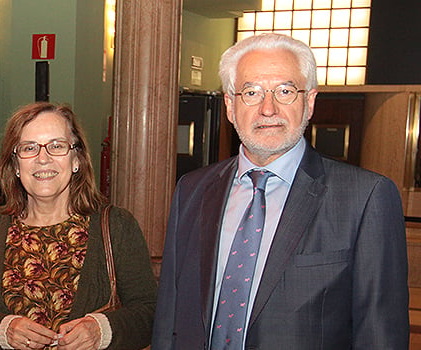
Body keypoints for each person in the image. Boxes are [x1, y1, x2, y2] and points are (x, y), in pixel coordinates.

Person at [152, 33, 409, 349]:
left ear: (309, 102)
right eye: (251, 92)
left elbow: (381, 335)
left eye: (285, 91)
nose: (268, 108)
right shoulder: (192, 189)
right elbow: (169, 319)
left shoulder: (365, 198)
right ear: (231, 106)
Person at [0, 102, 157, 350]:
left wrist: (101, 329)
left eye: (57, 146)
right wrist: (3, 330)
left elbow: (150, 311)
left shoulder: (117, 225)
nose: (43, 159)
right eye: (29, 148)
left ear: (76, 159)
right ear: (16, 165)